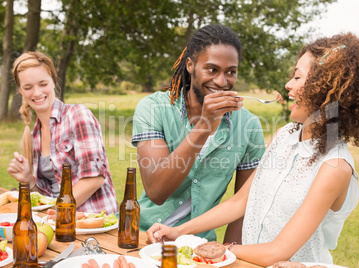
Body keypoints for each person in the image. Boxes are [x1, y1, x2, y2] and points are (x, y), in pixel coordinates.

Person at [146, 33, 359, 266]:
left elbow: (276, 252)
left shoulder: (335, 167)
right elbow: (240, 202)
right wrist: (180, 232)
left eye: (298, 77)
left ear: (326, 91)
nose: (288, 85)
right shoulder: (284, 136)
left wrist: (209, 249)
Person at [131, 24, 265, 242]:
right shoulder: (153, 108)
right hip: (141, 235)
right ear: (191, 65)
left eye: (231, 72)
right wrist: (204, 126)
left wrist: (229, 255)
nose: (222, 82)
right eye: (212, 70)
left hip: (198, 244)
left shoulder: (248, 125)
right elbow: (156, 191)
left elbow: (243, 206)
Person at [7, 51, 118, 215]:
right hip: (58, 221)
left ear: (53, 81)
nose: (37, 93)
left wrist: (56, 211)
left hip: (93, 221)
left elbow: (94, 178)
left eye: (43, 84)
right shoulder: (35, 135)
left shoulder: (77, 115)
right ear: (21, 91)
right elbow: (48, 196)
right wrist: (28, 179)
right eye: (28, 87)